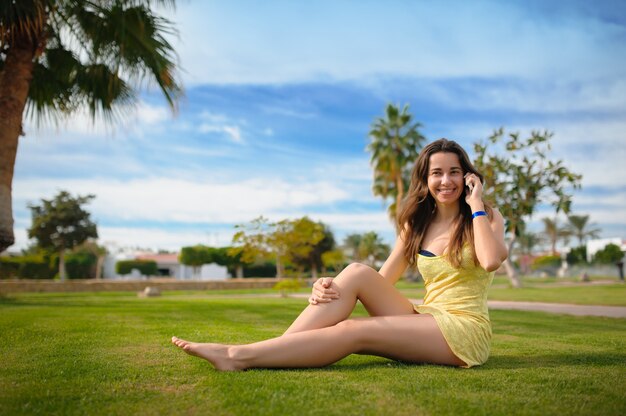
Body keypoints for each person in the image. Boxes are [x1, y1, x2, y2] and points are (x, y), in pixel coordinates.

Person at [172, 138, 508, 370]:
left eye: (453, 172)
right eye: (437, 172)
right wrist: (329, 285)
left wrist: (476, 205)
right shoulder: (417, 226)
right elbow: (377, 281)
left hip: (464, 330)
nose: (445, 180)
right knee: (357, 271)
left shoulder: (487, 217)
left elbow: (491, 259)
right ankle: (276, 350)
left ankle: (238, 356)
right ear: (425, 179)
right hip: (427, 316)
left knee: (354, 331)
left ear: (467, 176)